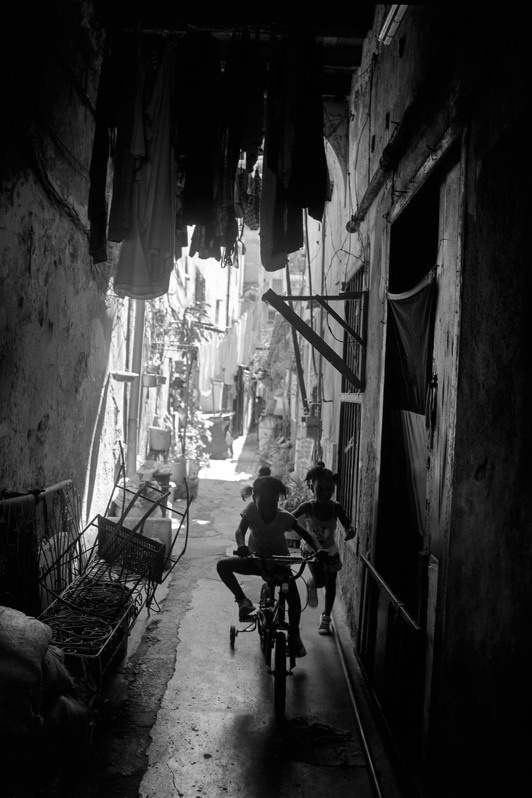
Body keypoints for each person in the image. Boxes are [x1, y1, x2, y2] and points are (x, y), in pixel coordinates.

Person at [217, 472, 329, 658]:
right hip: (255, 560)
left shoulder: (285, 517)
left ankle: (294, 635)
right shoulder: (251, 510)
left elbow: (307, 536)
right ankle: (242, 601)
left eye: (273, 502)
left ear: (278, 500)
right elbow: (240, 531)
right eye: (264, 502)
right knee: (222, 566)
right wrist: (242, 546)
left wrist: (318, 550)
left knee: (293, 599)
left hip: (280, 564)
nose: (269, 507)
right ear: (254, 498)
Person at [292, 462, 356, 636]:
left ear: (333, 488)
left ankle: (326, 618)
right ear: (312, 486)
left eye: (329, 489)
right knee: (320, 581)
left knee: (330, 585)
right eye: (320, 489)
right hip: (311, 551)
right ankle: (312, 583)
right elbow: (288, 518)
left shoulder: (336, 507)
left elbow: (347, 525)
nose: (325, 493)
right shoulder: (308, 506)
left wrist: (350, 531)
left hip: (330, 551)